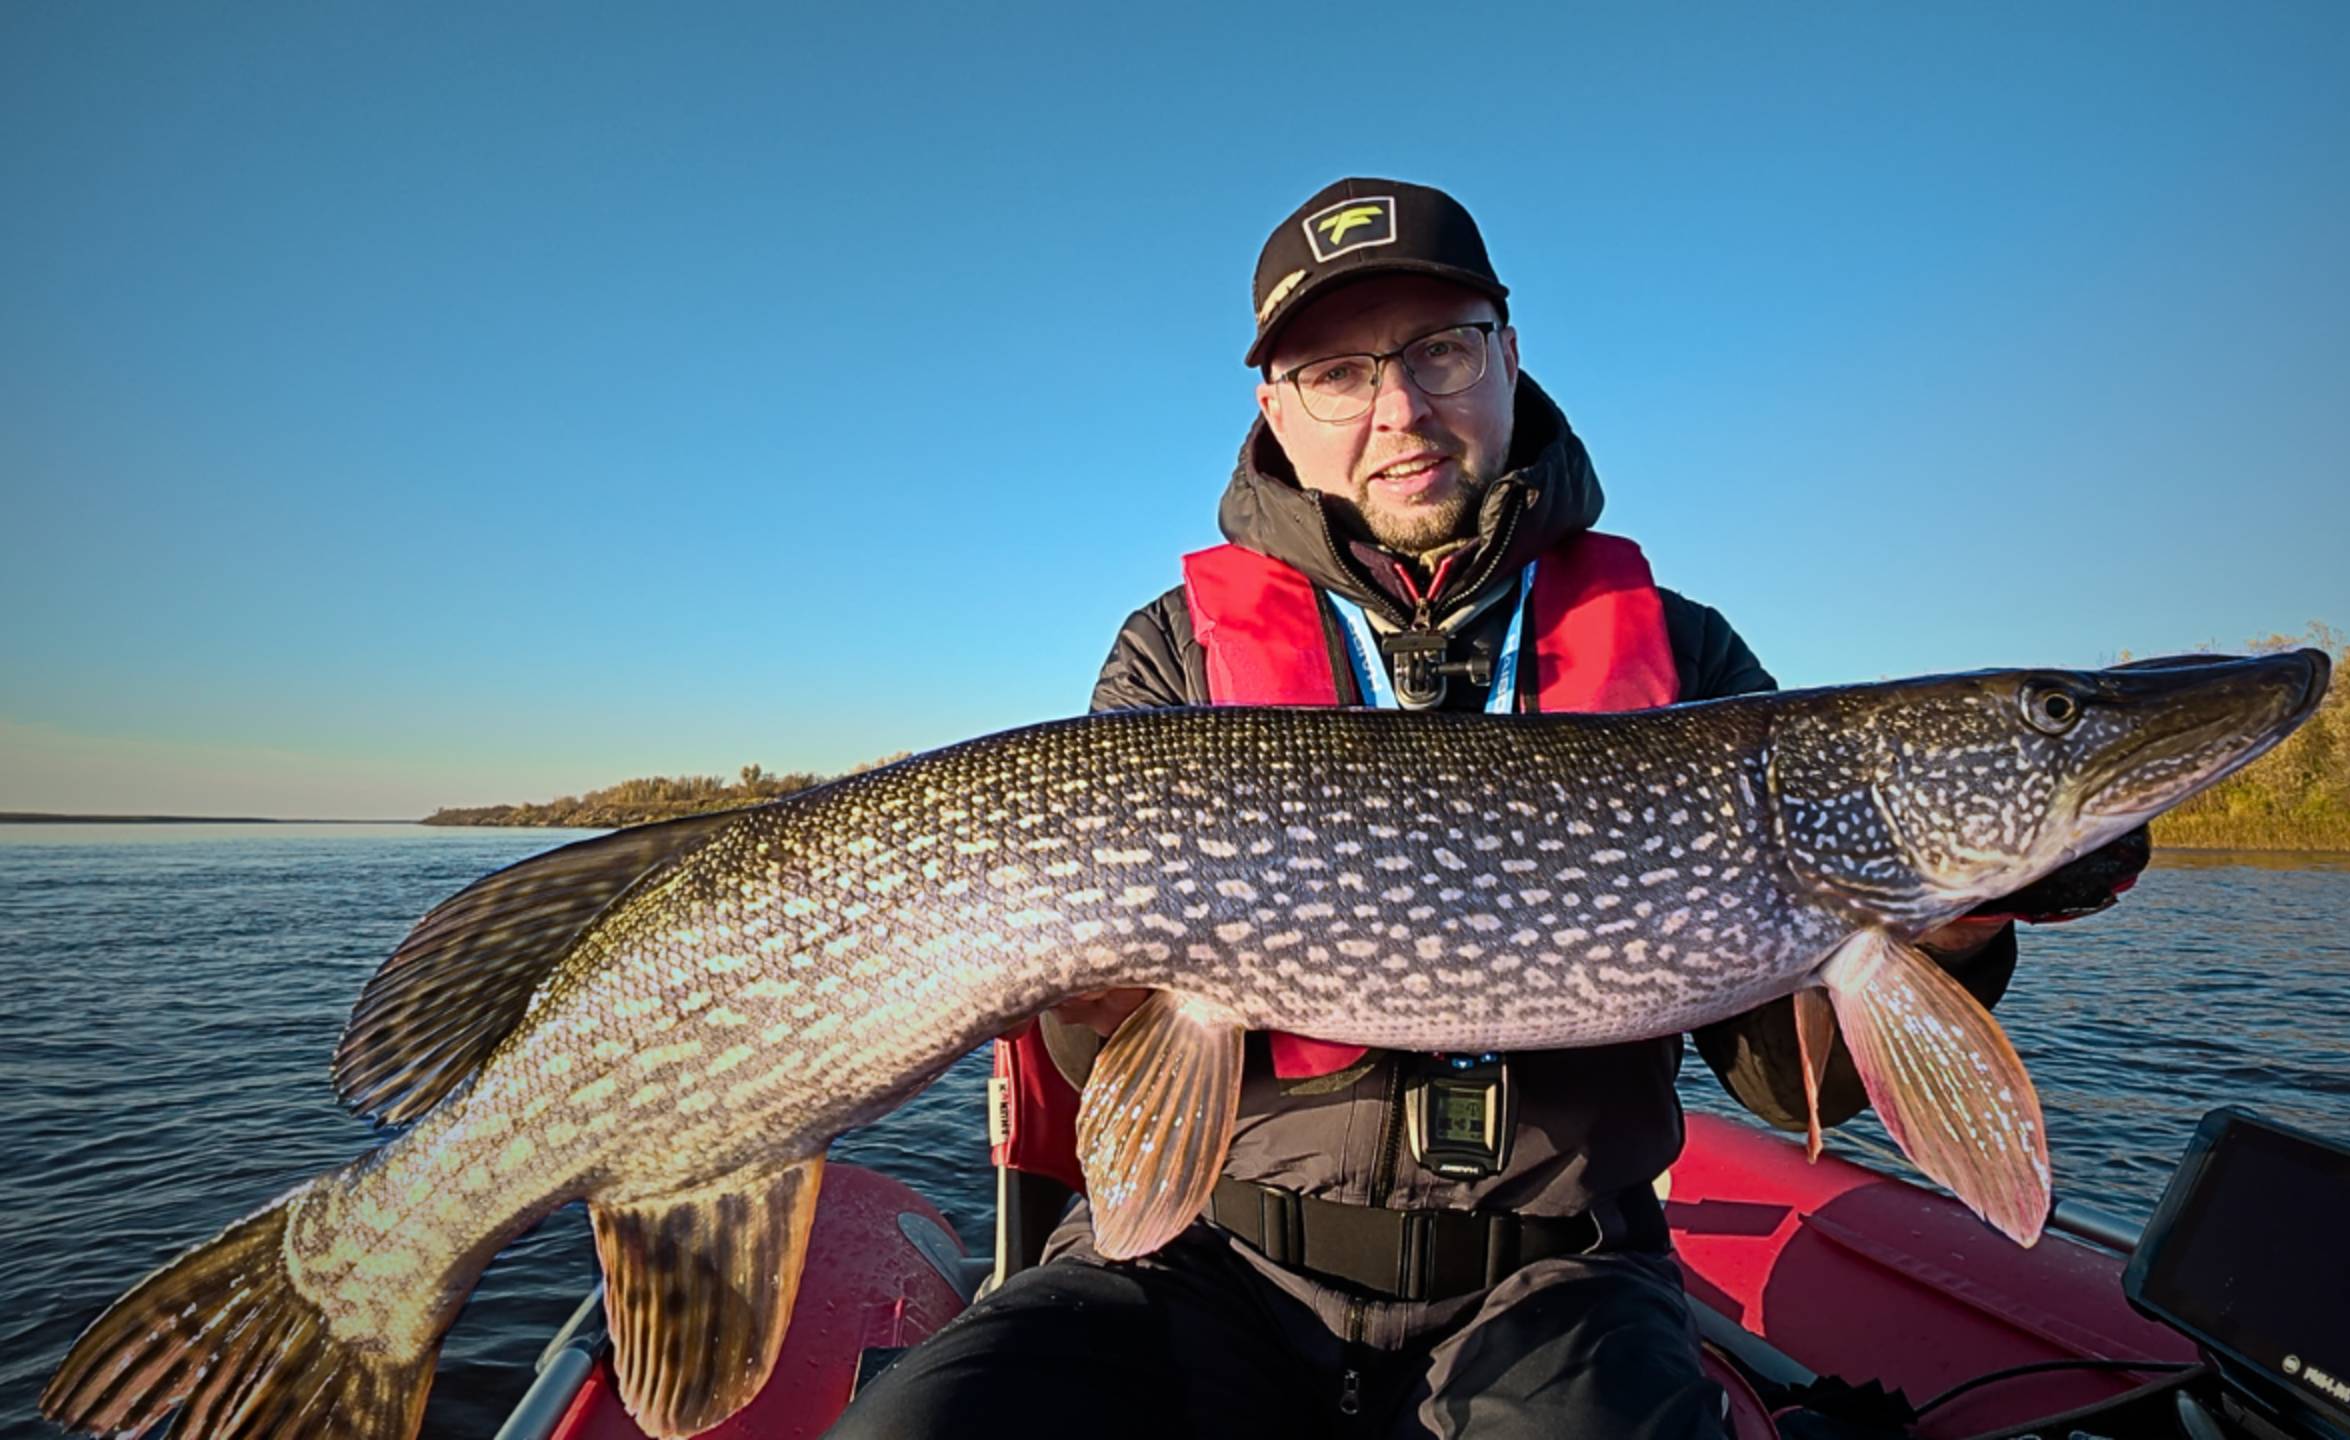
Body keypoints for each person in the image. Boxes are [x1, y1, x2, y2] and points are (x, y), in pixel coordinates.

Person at [839, 178, 2146, 1439]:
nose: (1400, 408)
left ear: (1508, 357)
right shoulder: (1175, 653)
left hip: (1558, 1282)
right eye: (1338, 373)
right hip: (1204, 1257)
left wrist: (1957, 929)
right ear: (1276, 409)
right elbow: (1095, 1065)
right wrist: (1089, 1001)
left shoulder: (1685, 656)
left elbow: (1782, 1072)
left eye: (1441, 351)